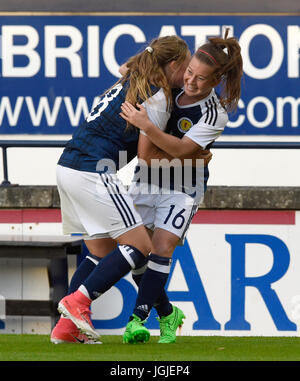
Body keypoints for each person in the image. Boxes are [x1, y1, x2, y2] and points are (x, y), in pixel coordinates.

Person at [50, 35, 191, 344]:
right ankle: (77, 303)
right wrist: (186, 154)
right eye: (186, 67)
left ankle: (66, 328)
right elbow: (144, 155)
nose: (189, 74)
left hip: (67, 166)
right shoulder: (159, 98)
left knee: (100, 253)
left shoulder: (133, 77)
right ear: (174, 65)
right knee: (140, 245)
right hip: (94, 170)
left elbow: (124, 65)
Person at [120, 29, 243, 344]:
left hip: (184, 185)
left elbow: (182, 150)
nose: (191, 81)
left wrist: (147, 125)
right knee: (137, 251)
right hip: (148, 178)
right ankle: (167, 312)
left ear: (214, 83)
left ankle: (136, 320)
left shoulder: (215, 113)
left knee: (162, 248)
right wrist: (139, 66)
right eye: (189, 72)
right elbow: (127, 70)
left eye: (201, 79)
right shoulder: (168, 85)